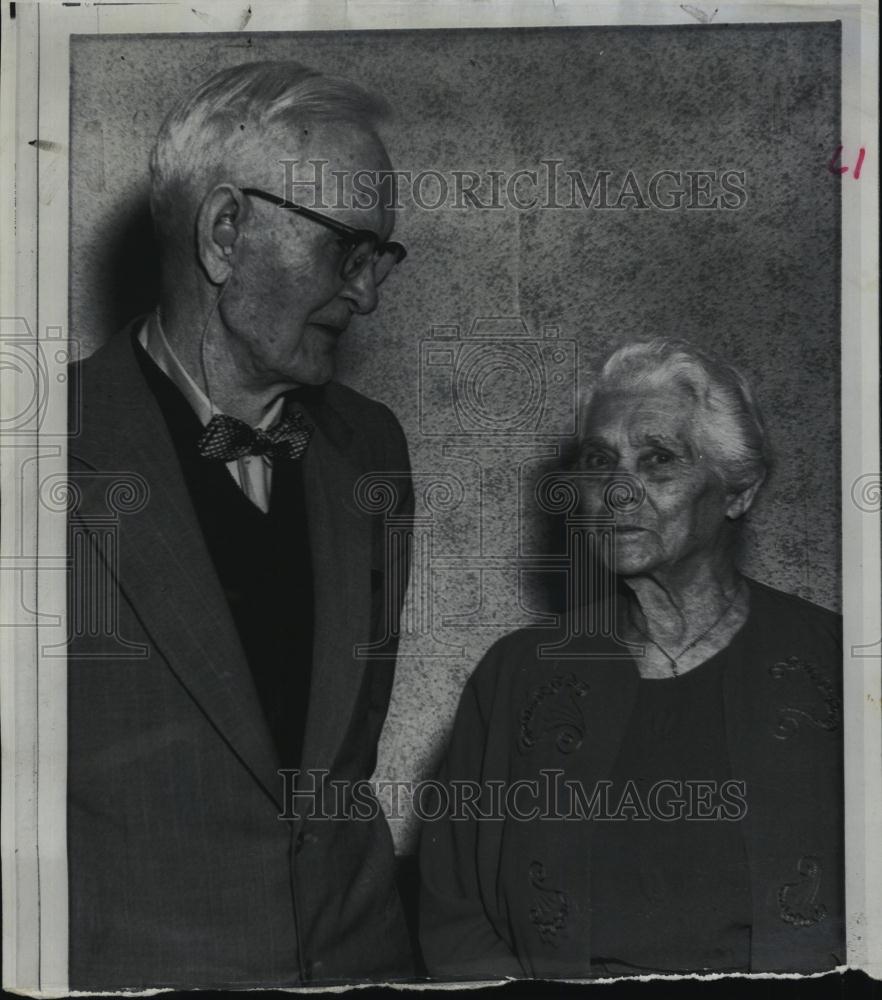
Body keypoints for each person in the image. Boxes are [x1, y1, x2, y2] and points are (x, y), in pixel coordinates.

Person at [67, 61, 414, 989]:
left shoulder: (372, 450)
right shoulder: (37, 456)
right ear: (225, 234)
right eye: (347, 251)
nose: (368, 293)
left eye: (381, 259)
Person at [419, 338, 844, 980]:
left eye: (657, 460)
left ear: (739, 491)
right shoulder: (517, 674)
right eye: (599, 461)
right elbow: (456, 910)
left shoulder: (840, 666)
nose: (616, 493)